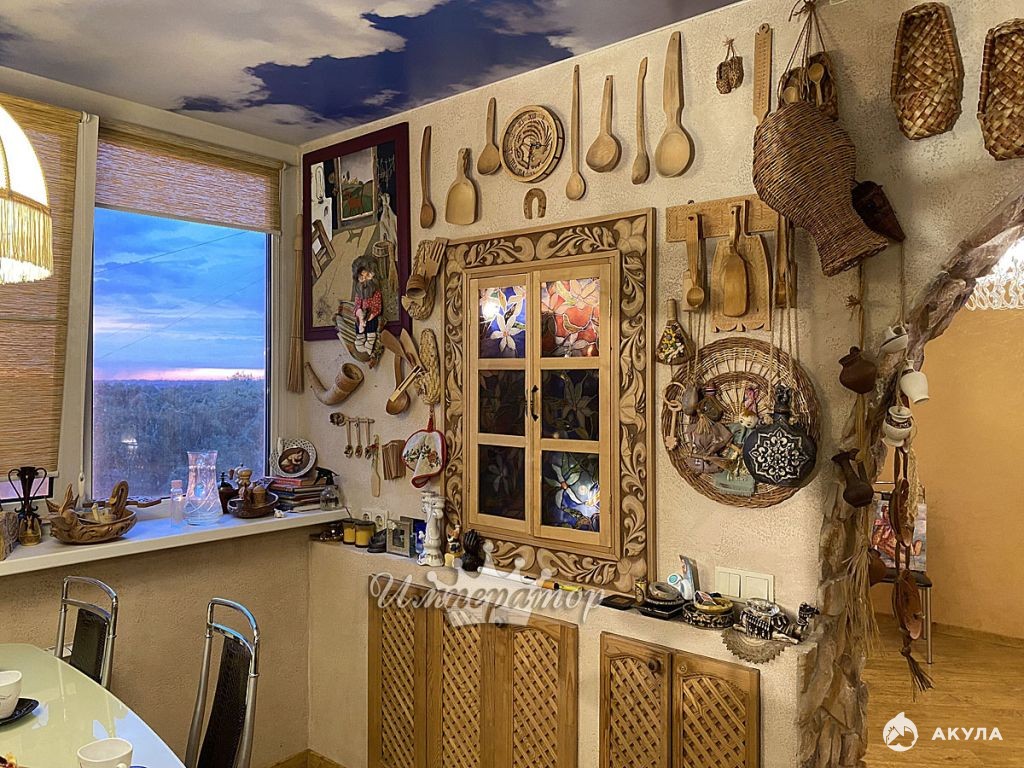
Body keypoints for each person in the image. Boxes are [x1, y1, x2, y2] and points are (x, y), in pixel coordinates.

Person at [352, 255, 383, 354]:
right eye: (362, 277)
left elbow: (377, 307)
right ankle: (360, 338)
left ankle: (370, 341)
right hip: (362, 315)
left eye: (368, 276)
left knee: (371, 323)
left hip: (370, 314)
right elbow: (357, 305)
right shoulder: (359, 293)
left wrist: (371, 315)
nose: (365, 280)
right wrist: (359, 313)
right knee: (358, 323)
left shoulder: (376, 292)